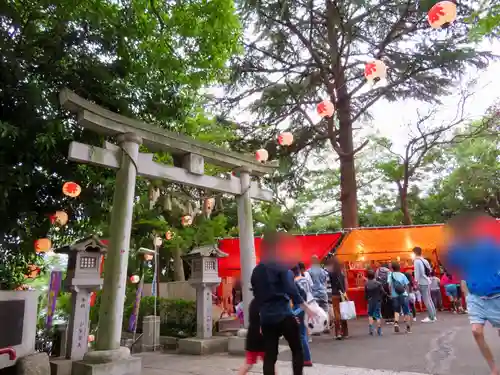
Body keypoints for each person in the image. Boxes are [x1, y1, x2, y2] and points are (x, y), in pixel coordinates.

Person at [251, 231, 317, 375]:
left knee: (270, 355)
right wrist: (306, 308)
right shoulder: (280, 266)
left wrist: (259, 320)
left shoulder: (256, 271)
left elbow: (257, 296)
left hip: (267, 317)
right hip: (284, 314)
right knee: (297, 349)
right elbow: (291, 289)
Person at [444, 212, 500, 375]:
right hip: (476, 297)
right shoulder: (458, 250)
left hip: (496, 295)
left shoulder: (490, 245)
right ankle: (494, 369)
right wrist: (466, 293)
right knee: (476, 331)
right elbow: (459, 269)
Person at [238, 299, 268, 375]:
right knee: (270, 363)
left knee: (248, 363)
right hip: (261, 337)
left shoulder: (254, 302)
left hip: (253, 335)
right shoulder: (265, 302)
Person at [291, 265, 313, 367]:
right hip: (306, 306)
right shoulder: (306, 280)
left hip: (299, 307)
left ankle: (306, 359)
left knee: (300, 335)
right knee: (303, 334)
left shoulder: (294, 283)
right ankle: (305, 358)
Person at [413, 247, 437, 322]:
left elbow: (417, 273)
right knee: (429, 299)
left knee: (426, 299)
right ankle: (433, 315)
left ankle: (431, 317)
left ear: (414, 253)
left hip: (422, 282)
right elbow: (429, 269)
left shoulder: (416, 261)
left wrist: (416, 282)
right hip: (427, 281)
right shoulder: (424, 260)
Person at [387, 261, 412, 334]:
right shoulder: (402, 275)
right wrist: (407, 293)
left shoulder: (390, 275)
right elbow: (407, 285)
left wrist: (391, 293)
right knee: (406, 312)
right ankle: (408, 328)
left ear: (392, 268)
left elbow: (389, 285)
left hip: (395, 296)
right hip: (403, 294)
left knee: (396, 310)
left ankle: (396, 323)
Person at [329, 256, 349, 339]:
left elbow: (329, 284)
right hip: (342, 293)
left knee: (337, 313)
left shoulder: (330, 272)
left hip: (334, 294)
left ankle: (338, 333)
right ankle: (345, 332)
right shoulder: (342, 272)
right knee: (344, 311)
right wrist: (344, 292)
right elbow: (346, 284)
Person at [365, 269, 384, 336]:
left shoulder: (366, 283)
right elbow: (382, 292)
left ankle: (371, 329)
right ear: (374, 276)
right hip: (377, 300)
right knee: (378, 315)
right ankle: (379, 330)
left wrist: (367, 299)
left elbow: (366, 293)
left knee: (370, 315)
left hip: (370, 300)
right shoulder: (378, 283)